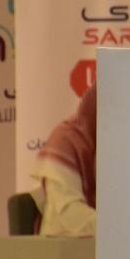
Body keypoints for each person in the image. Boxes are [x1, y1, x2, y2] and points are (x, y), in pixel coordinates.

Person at [33, 84, 97, 236]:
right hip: (64, 242)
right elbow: (70, 212)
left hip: (108, 244)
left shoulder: (119, 146)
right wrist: (119, 229)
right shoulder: (64, 140)